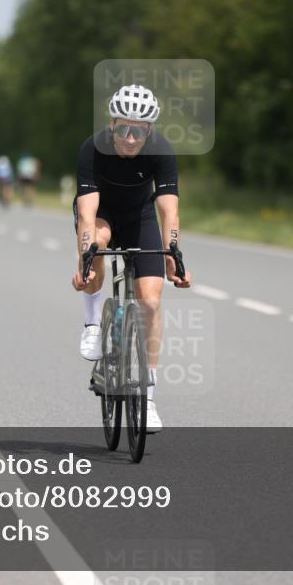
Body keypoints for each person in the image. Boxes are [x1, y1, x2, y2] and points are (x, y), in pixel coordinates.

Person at [71, 84, 192, 433]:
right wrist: (85, 259)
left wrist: (174, 258)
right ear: (112, 124)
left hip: (140, 217)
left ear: (149, 130)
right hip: (102, 215)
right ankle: (93, 324)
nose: (129, 138)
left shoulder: (161, 151)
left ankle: (149, 398)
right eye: (123, 128)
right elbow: (87, 214)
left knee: (151, 302)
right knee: (97, 244)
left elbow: (169, 213)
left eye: (138, 131)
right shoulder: (92, 149)